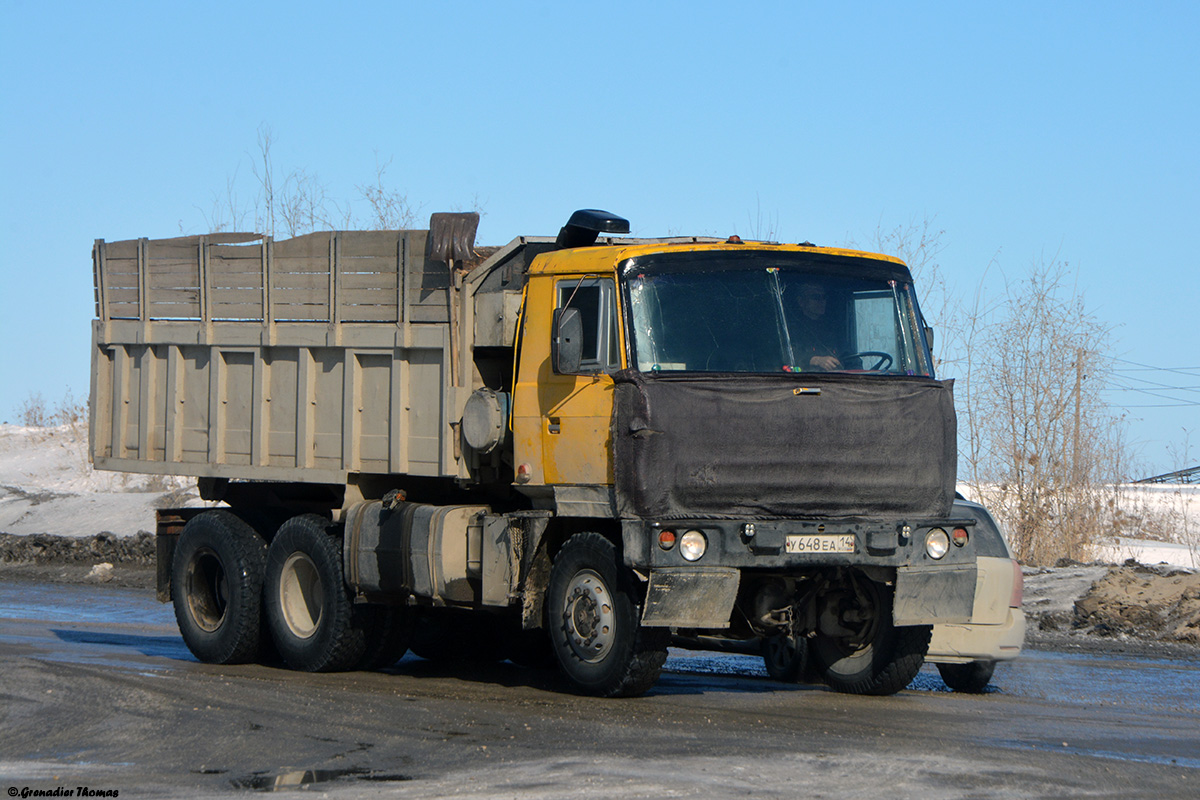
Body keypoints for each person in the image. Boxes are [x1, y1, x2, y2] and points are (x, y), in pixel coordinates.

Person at [791, 282, 844, 371]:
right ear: (801, 301)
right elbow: (786, 358)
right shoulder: (792, 328)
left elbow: (847, 354)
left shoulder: (832, 328)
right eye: (816, 297)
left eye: (824, 297)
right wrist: (815, 360)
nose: (822, 301)